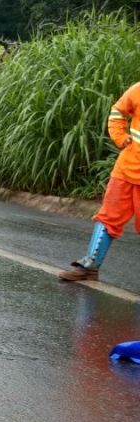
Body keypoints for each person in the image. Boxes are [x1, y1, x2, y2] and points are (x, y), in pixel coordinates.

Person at [59, 81, 140, 281]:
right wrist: (120, 137)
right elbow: (117, 112)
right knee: (108, 217)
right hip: (126, 169)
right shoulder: (138, 90)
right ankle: (90, 266)